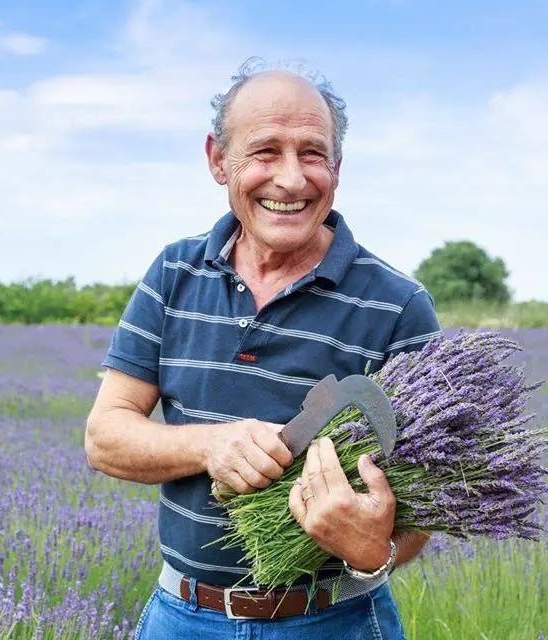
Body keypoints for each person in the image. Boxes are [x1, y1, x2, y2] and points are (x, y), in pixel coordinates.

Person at [84, 59, 442, 639]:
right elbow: (105, 437)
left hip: (335, 621)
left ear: (337, 167)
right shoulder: (174, 273)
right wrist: (209, 445)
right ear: (217, 160)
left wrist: (371, 547)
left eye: (312, 153)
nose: (292, 180)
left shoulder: (397, 305)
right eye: (265, 151)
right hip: (182, 618)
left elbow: (422, 515)